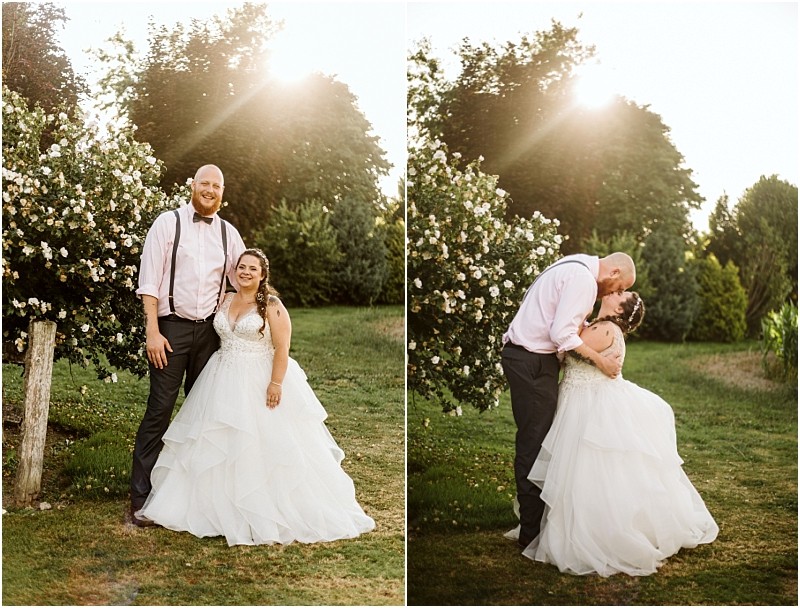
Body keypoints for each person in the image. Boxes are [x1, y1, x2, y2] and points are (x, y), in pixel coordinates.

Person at [138, 249, 376, 546]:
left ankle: (260, 508)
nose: (246, 272)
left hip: (258, 377)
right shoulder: (224, 299)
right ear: (234, 271)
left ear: (263, 275)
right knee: (216, 441)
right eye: (241, 267)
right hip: (221, 376)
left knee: (257, 443)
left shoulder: (272, 306)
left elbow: (282, 348)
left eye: (252, 268)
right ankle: (213, 508)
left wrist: (275, 383)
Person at [508, 291, 719, 576]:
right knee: (574, 469)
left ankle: (591, 533)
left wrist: (570, 332)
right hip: (576, 398)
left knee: (586, 469)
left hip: (588, 405)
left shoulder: (607, 329)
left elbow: (567, 346)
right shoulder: (598, 325)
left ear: (620, 310)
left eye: (621, 294)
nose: (613, 291)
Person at [130, 164, 246, 527]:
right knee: (160, 411)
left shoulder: (229, 234)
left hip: (210, 335)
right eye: (204, 183)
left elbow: (245, 280)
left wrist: (263, 315)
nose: (210, 190)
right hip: (170, 331)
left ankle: (200, 496)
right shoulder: (168, 224)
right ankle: (141, 498)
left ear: (222, 192)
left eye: (217, 185)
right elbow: (148, 282)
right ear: (192, 186)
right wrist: (153, 331)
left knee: (206, 415)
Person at [501, 252, 636, 548]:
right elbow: (562, 334)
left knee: (536, 441)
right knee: (533, 445)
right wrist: (601, 362)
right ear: (613, 272)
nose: (614, 293)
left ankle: (537, 524)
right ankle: (532, 533)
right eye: (617, 288)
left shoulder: (575, 263)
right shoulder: (584, 280)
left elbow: (564, 325)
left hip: (527, 358)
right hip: (532, 362)